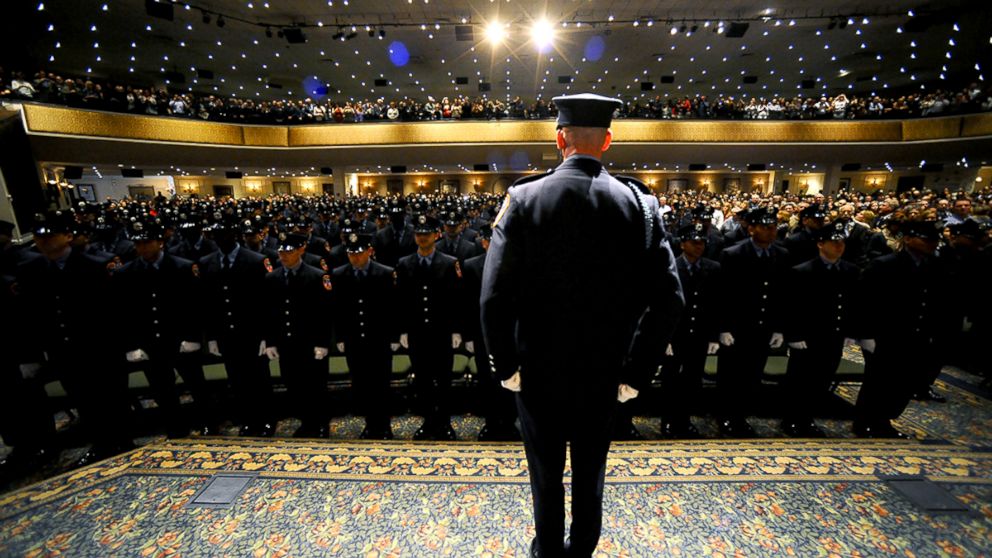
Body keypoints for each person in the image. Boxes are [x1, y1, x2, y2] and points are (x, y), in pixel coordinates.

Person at [481, 93, 683, 558]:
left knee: (546, 474)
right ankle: (582, 551)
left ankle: (549, 552)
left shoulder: (524, 198)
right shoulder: (641, 206)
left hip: (537, 373)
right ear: (608, 141)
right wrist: (637, 372)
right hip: (605, 374)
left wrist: (505, 365)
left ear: (559, 139)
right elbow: (670, 301)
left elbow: (493, 297)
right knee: (591, 472)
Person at [15, 210, 134, 468]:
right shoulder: (30, 271)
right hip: (64, 351)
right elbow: (28, 316)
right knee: (84, 401)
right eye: (38, 236)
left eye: (51, 234)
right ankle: (101, 446)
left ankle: (124, 444)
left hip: (100, 349)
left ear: (68, 236)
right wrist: (31, 355)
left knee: (114, 399)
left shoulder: (95, 266)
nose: (44, 240)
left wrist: (124, 346)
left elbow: (115, 312)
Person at [854, 219, 952, 438]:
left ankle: (885, 419)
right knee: (878, 380)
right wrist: (865, 334)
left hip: (917, 333)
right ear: (908, 239)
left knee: (905, 381)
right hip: (886, 334)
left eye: (934, 240)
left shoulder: (935, 267)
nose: (931, 244)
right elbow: (864, 301)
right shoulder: (884, 265)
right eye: (925, 239)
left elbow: (938, 302)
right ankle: (865, 422)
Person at [114, 216, 207, 438]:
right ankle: (175, 428)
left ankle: (207, 423)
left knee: (197, 386)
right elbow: (124, 313)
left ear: (160, 242)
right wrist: (132, 345)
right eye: (138, 243)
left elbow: (194, 306)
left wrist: (193, 337)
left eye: (147, 242)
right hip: (150, 342)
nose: (142, 247)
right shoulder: (124, 273)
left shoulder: (182, 267)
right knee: (162, 390)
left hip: (180, 339)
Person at [780, 221, 860, 437]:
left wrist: (850, 331)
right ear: (820, 244)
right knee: (799, 380)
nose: (839, 246)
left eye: (842, 242)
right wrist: (793, 335)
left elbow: (853, 304)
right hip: (807, 336)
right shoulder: (803, 271)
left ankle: (807, 419)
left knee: (822, 380)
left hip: (833, 335)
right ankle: (791, 419)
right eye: (834, 242)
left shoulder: (850, 270)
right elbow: (791, 306)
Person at [198, 213, 275, 437]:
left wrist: (266, 336)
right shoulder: (207, 262)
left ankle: (267, 420)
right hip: (226, 332)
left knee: (260, 379)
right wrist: (211, 336)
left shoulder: (254, 260)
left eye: (226, 233)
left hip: (251, 332)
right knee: (237, 379)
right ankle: (248, 420)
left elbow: (265, 303)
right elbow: (208, 303)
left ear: (235, 234)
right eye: (218, 234)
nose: (222, 238)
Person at [715, 206, 790, 437]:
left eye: (773, 227)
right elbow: (723, 295)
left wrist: (778, 328)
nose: (771, 231)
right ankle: (725, 416)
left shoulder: (782, 254)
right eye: (765, 227)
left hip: (763, 326)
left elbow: (782, 295)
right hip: (738, 327)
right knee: (730, 375)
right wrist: (723, 327)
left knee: (753, 373)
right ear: (751, 229)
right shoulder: (733, 254)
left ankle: (741, 416)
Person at [395, 215, 464, 441]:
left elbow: (456, 299)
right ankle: (428, 421)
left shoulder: (449, 262)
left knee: (444, 380)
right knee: (423, 380)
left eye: (426, 234)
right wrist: (403, 330)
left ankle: (444, 422)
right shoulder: (405, 264)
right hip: (417, 332)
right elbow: (401, 300)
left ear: (436, 235)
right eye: (418, 234)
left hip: (441, 331)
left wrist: (456, 330)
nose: (422, 238)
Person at [261, 232, 332, 438]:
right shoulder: (272, 277)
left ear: (299, 251)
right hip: (287, 341)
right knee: (294, 385)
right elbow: (270, 312)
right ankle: (306, 422)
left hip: (310, 342)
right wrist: (271, 342)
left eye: (289, 251)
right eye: (281, 251)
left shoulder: (317, 275)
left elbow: (324, 313)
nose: (284, 256)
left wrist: (323, 343)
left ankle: (320, 423)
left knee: (316, 386)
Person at [331, 231, 399, 439]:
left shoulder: (385, 273)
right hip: (354, 339)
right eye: (351, 253)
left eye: (359, 253)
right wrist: (340, 337)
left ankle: (384, 425)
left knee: (381, 384)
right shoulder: (339, 274)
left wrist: (395, 337)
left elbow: (393, 309)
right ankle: (370, 424)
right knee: (362, 383)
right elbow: (337, 309)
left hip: (378, 339)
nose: (355, 257)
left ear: (369, 251)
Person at [659, 223, 721, 438]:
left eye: (702, 242)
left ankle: (684, 420)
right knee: (670, 379)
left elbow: (716, 304)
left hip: (699, 334)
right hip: (676, 335)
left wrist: (714, 335)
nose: (699, 246)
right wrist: (663, 337)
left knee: (692, 380)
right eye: (694, 242)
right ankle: (667, 421)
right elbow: (662, 306)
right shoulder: (670, 268)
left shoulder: (713, 268)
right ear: (683, 244)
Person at [462, 224, 519, 441]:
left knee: (510, 376)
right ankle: (491, 423)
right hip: (481, 333)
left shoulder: (515, 262)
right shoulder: (471, 266)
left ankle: (509, 422)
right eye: (488, 240)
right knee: (486, 379)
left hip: (509, 332)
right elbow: (467, 304)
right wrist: (466, 335)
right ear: (483, 242)